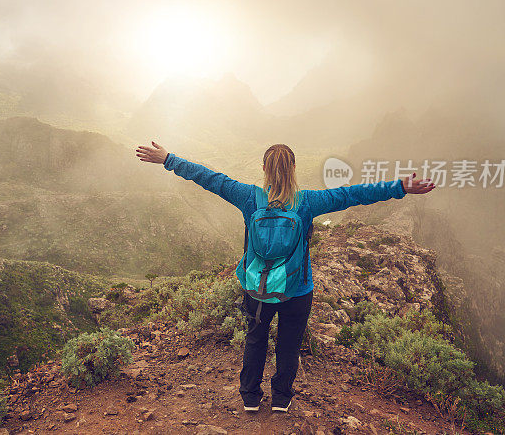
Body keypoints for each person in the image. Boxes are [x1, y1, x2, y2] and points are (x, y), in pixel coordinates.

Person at [135, 142, 436, 413]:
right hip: (297, 291)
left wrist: (168, 159)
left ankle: (250, 397)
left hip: (257, 289)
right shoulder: (307, 203)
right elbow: (352, 194)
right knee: (289, 346)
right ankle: (281, 398)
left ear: (264, 169)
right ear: (293, 168)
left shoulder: (249, 198)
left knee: (255, 340)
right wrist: (400, 187)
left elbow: (210, 179)